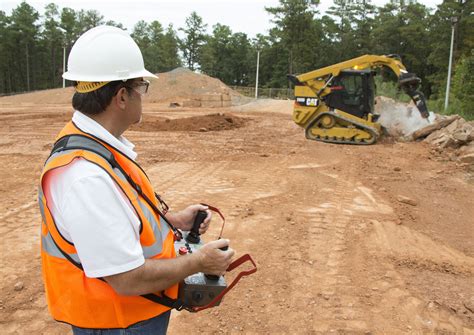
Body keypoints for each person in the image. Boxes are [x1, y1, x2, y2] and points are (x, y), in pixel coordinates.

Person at [38, 25, 234, 334]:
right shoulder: (85, 176)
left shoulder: (98, 148)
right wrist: (200, 262)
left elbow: (116, 219)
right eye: (141, 87)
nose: (144, 96)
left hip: (130, 316)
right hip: (115, 323)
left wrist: (174, 220)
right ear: (121, 97)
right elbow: (126, 279)